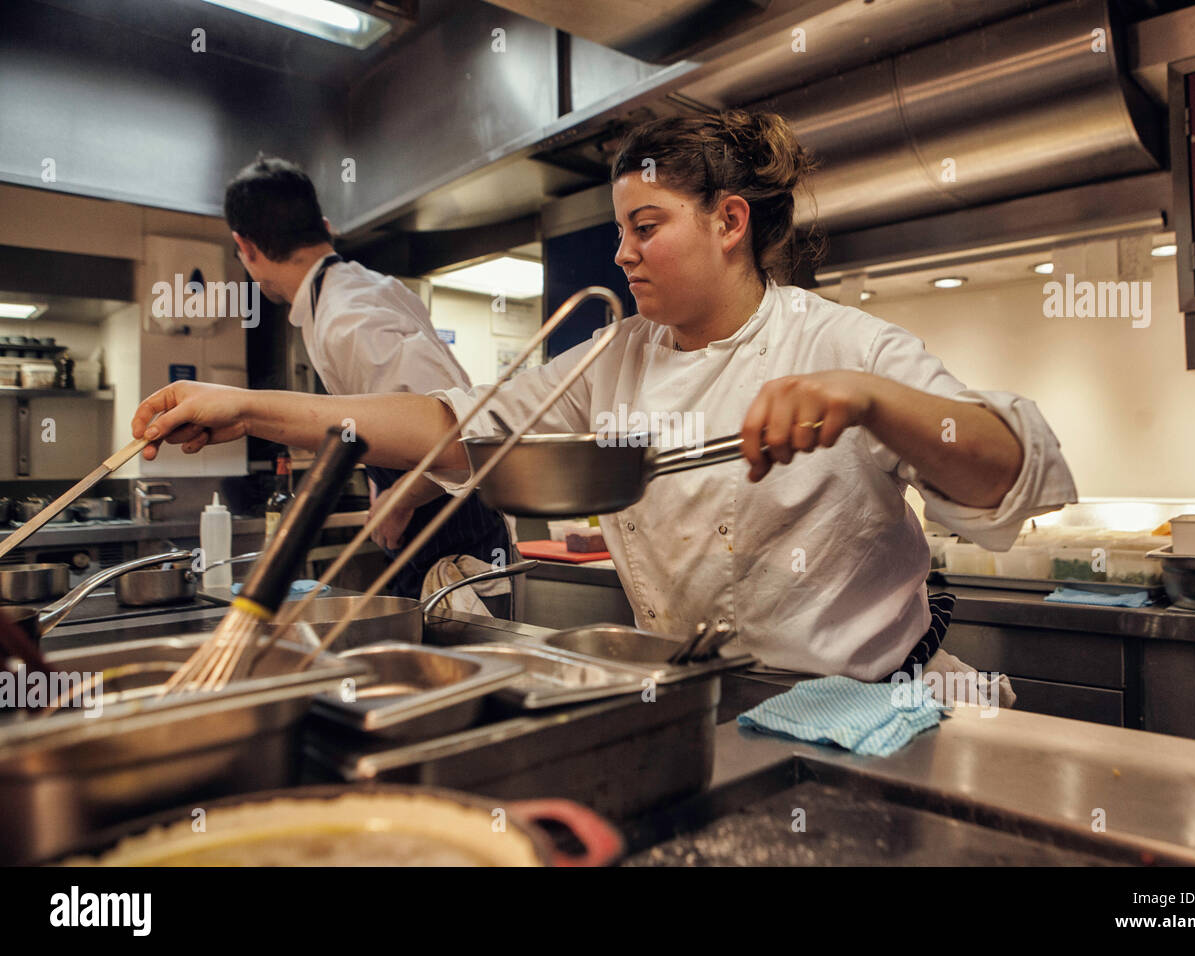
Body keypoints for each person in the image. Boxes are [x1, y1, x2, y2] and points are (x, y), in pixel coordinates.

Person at [135, 111, 1077, 704]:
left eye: (646, 226)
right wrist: (250, 406)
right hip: (711, 703)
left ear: (730, 221)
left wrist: (871, 402)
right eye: (619, 229)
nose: (622, 254)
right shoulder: (616, 354)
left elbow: (1006, 467)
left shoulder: (842, 343)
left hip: (874, 709)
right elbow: (447, 424)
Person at [223, 157, 515, 613]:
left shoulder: (351, 319)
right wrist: (385, 485)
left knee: (469, 681)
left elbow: (465, 435)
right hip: (430, 544)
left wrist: (401, 499)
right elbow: (397, 421)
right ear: (324, 226)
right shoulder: (343, 299)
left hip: (458, 551)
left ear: (245, 246)